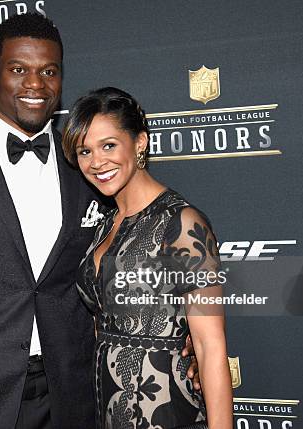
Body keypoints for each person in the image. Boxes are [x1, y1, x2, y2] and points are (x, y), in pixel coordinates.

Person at [0, 14, 200, 429]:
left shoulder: (85, 166)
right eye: (19, 70)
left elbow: (132, 254)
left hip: (73, 394)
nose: (36, 84)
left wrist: (187, 331)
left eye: (49, 71)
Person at [62, 87, 233, 428]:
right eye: (85, 151)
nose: (96, 162)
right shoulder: (105, 225)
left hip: (168, 412)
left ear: (140, 142)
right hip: (108, 412)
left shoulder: (181, 222)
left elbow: (209, 345)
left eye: (108, 145)